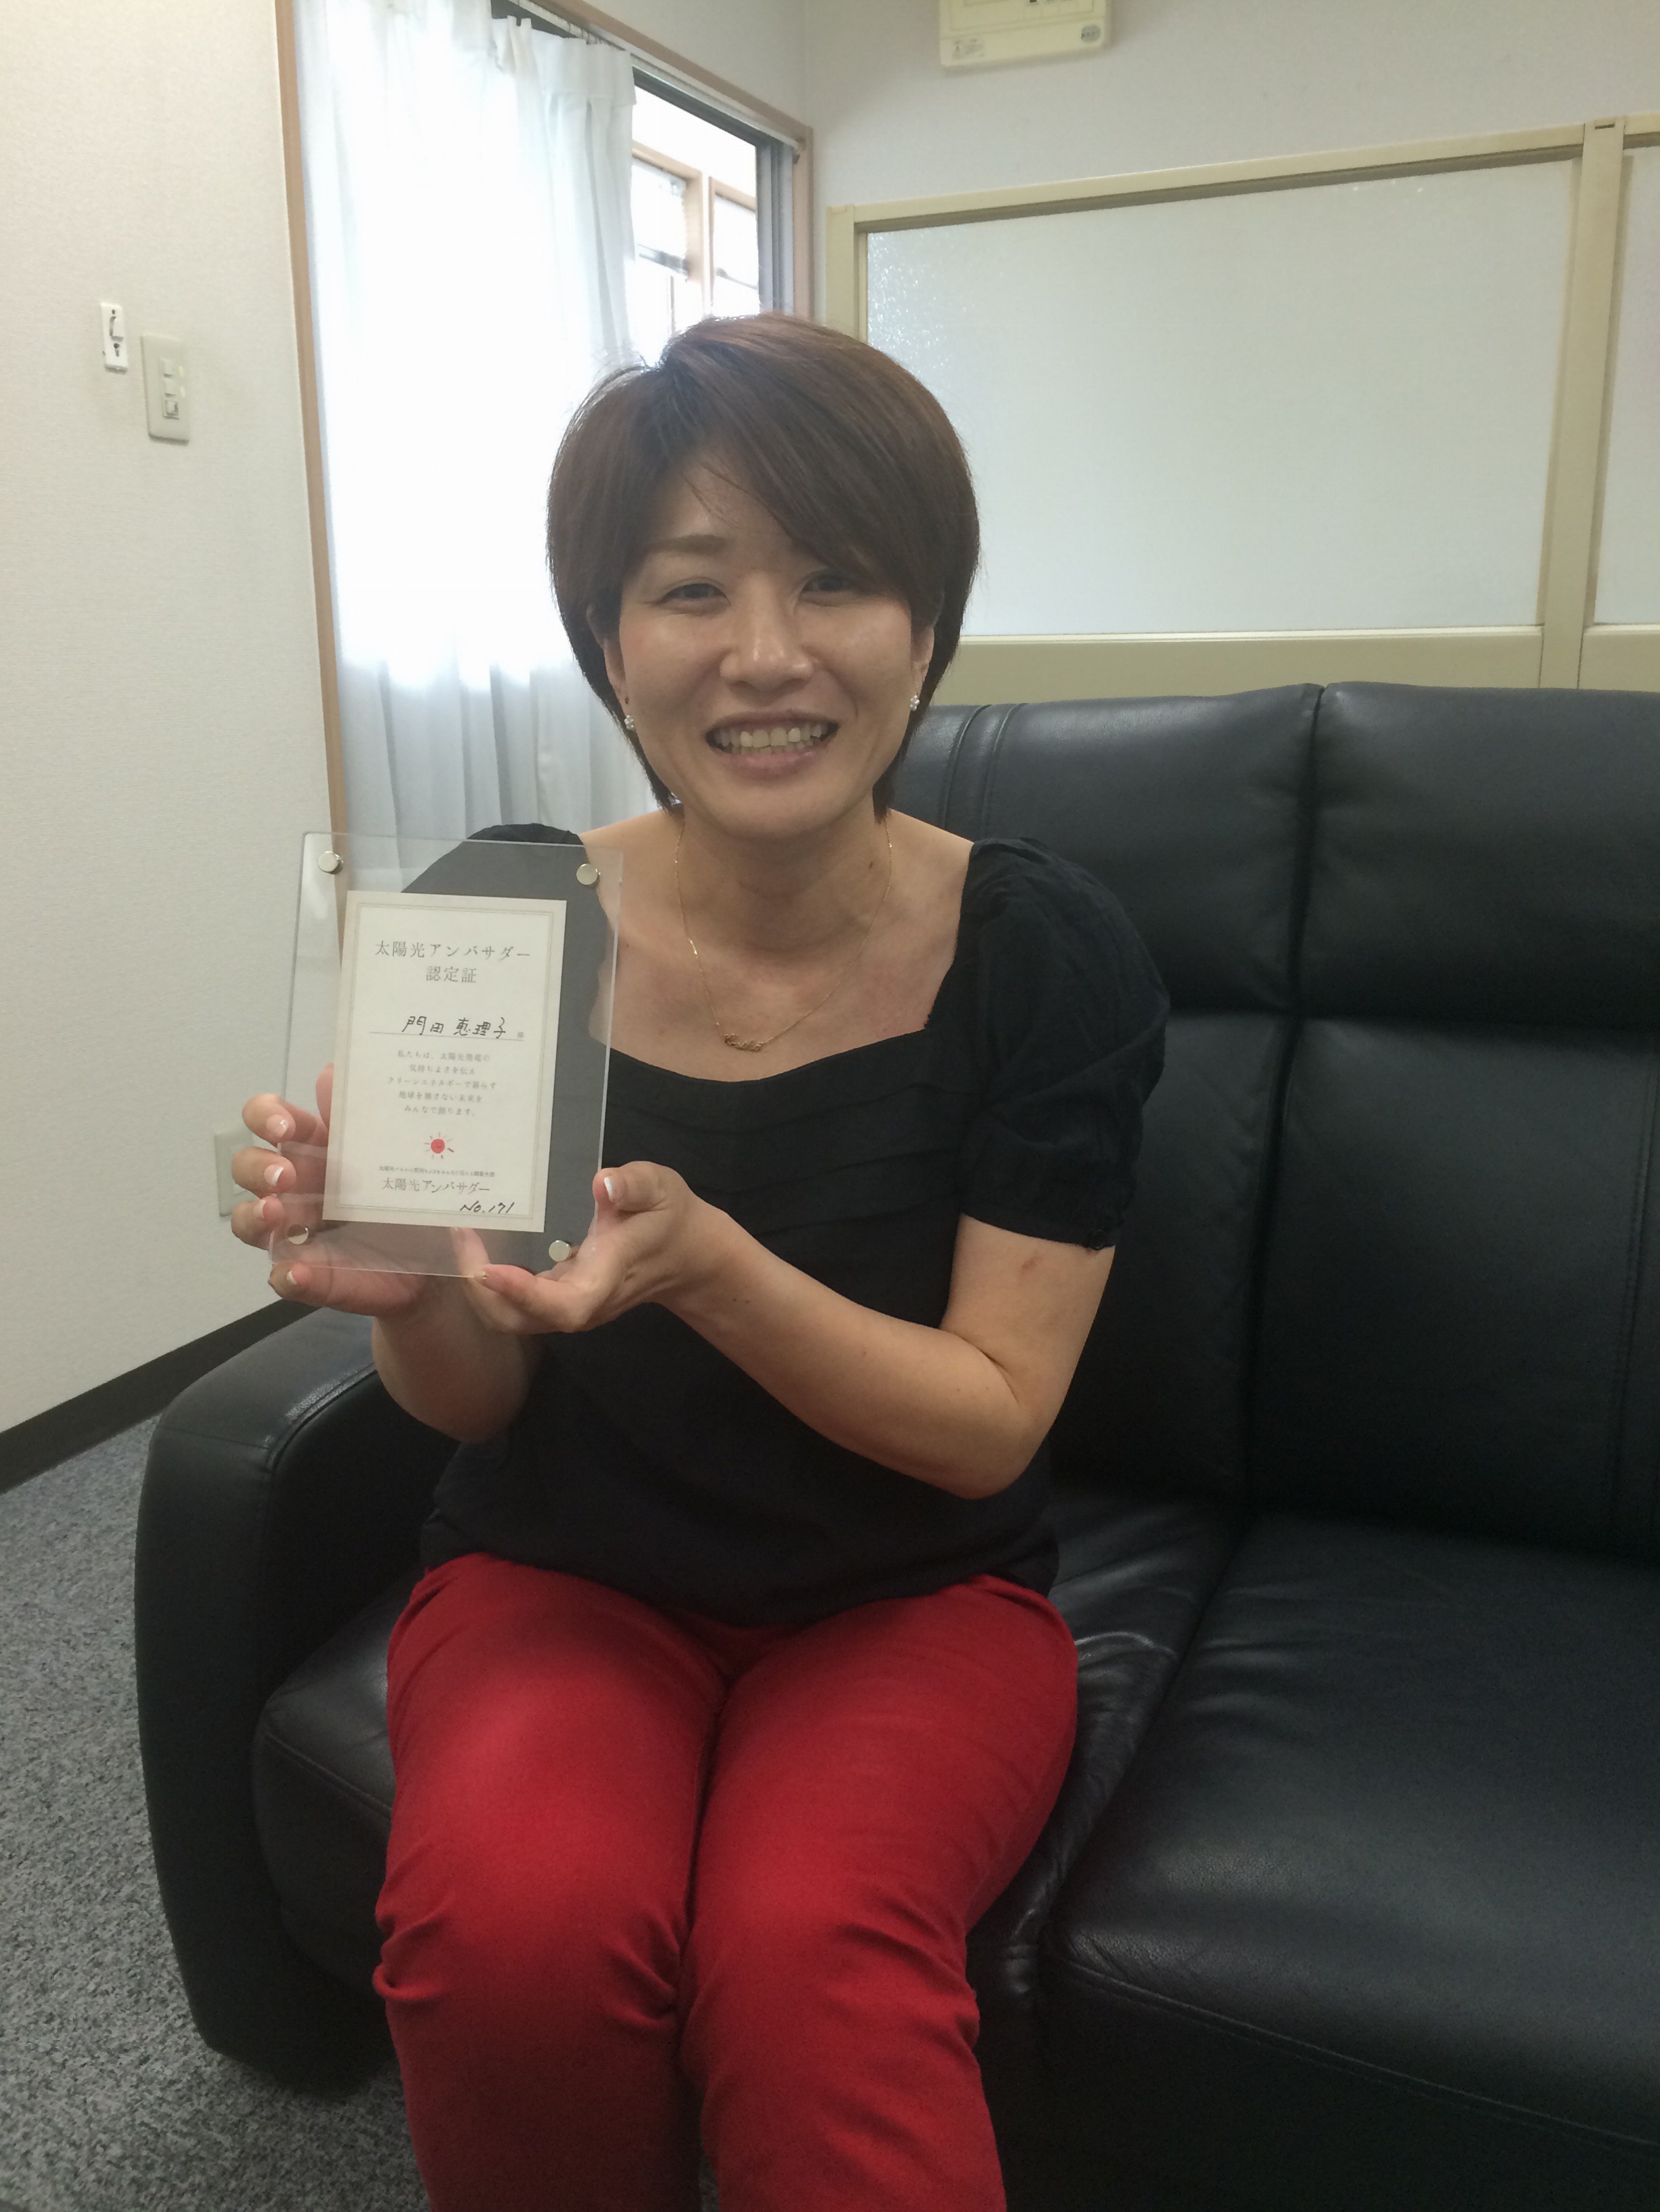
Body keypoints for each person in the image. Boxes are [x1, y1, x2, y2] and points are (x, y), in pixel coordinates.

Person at [230, 313, 1167, 2212]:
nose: (765, 651)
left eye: (837, 579)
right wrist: (408, 1285)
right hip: (559, 1573)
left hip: (913, 1597)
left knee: (812, 1960)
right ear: (609, 645)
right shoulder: (504, 915)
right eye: (691, 588)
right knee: (513, 1933)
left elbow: (988, 1423)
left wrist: (709, 1266)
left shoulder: (1045, 954)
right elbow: (477, 1398)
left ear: (925, 630)